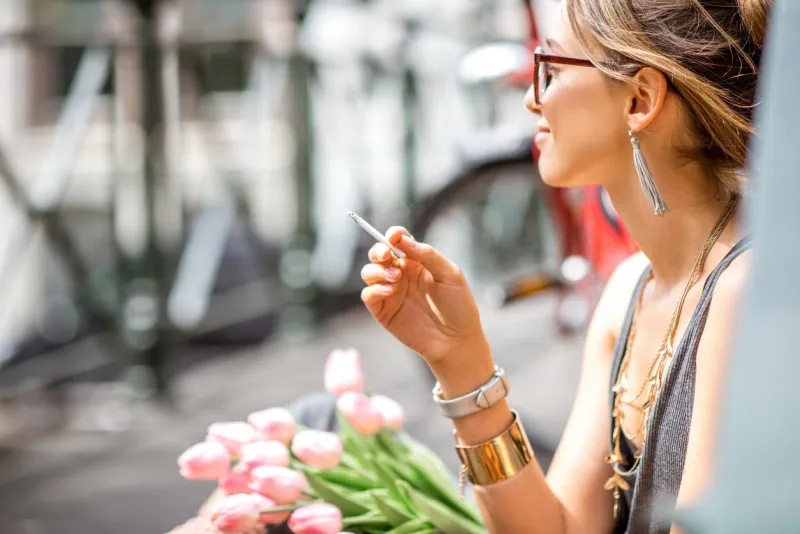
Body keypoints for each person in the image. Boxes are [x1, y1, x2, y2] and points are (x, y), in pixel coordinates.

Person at [357, 0, 769, 532]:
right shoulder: (630, 290)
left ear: (640, 99)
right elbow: (559, 527)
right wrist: (459, 361)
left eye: (549, 70)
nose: (532, 99)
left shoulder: (744, 293)